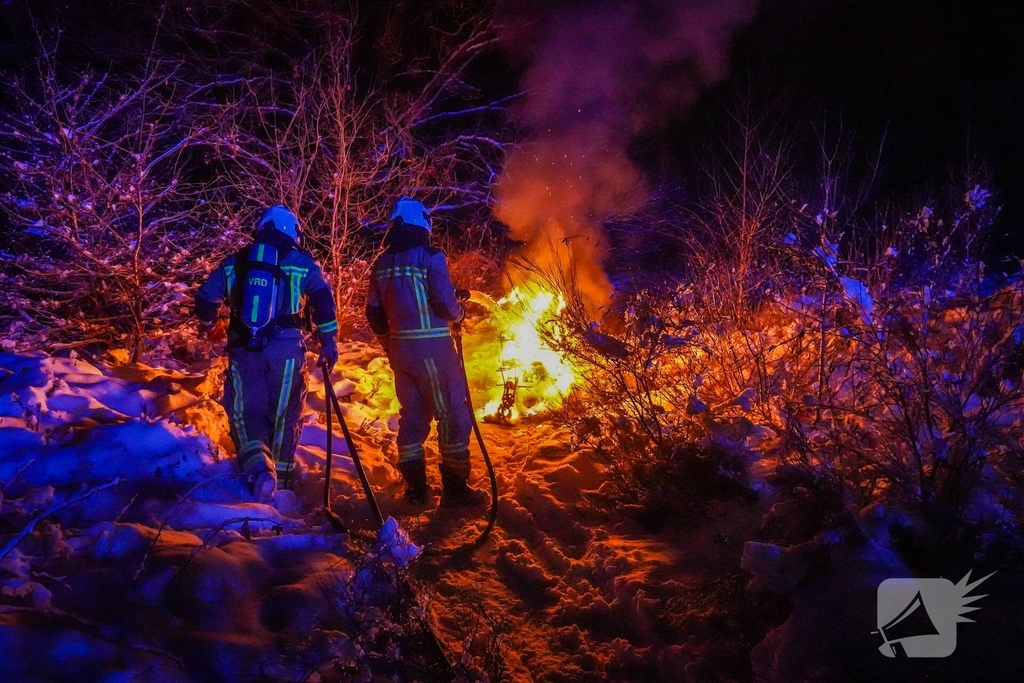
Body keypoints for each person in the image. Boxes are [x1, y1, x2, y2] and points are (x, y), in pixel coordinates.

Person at [195, 204, 339, 502]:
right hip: (287, 352)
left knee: (246, 413)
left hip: (244, 348)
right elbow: (323, 300)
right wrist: (329, 342)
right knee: (285, 414)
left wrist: (210, 325)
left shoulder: (235, 261)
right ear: (293, 232)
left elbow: (205, 299)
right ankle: (283, 488)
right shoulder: (302, 262)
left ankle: (260, 471)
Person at [366, 197, 483, 507]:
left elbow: (374, 313)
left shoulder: (382, 263)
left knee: (413, 416)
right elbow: (445, 305)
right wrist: (459, 314)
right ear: (423, 223)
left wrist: (389, 344)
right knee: (452, 415)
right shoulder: (430, 256)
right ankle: (456, 491)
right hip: (433, 350)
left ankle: (417, 490)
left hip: (401, 353)